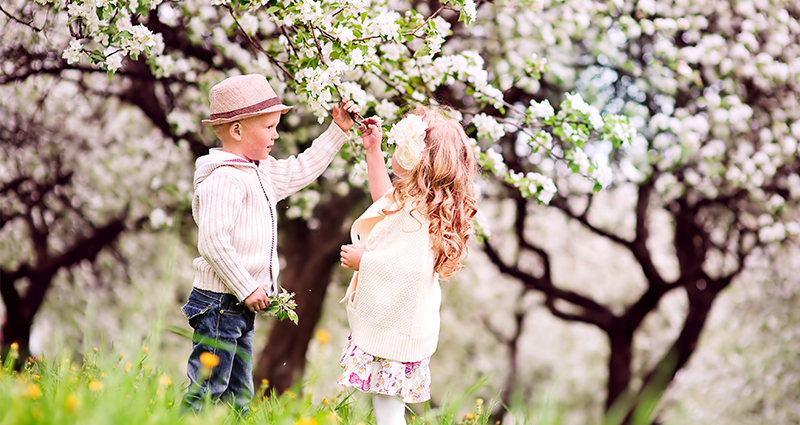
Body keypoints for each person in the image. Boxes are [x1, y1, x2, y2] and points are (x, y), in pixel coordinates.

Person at [180, 73, 359, 417]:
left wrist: (338, 130)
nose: (276, 134)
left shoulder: (259, 172)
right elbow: (213, 242)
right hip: (219, 302)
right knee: (209, 386)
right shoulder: (224, 178)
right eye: (269, 127)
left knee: (239, 391)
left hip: (239, 303)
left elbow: (303, 168)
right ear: (237, 130)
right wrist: (247, 287)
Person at [338, 106, 477, 425]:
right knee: (386, 406)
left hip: (400, 323)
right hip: (403, 322)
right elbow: (383, 201)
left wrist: (365, 262)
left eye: (401, 144)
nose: (396, 148)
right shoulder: (417, 202)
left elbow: (409, 268)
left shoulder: (422, 214)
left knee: (388, 410)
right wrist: (372, 150)